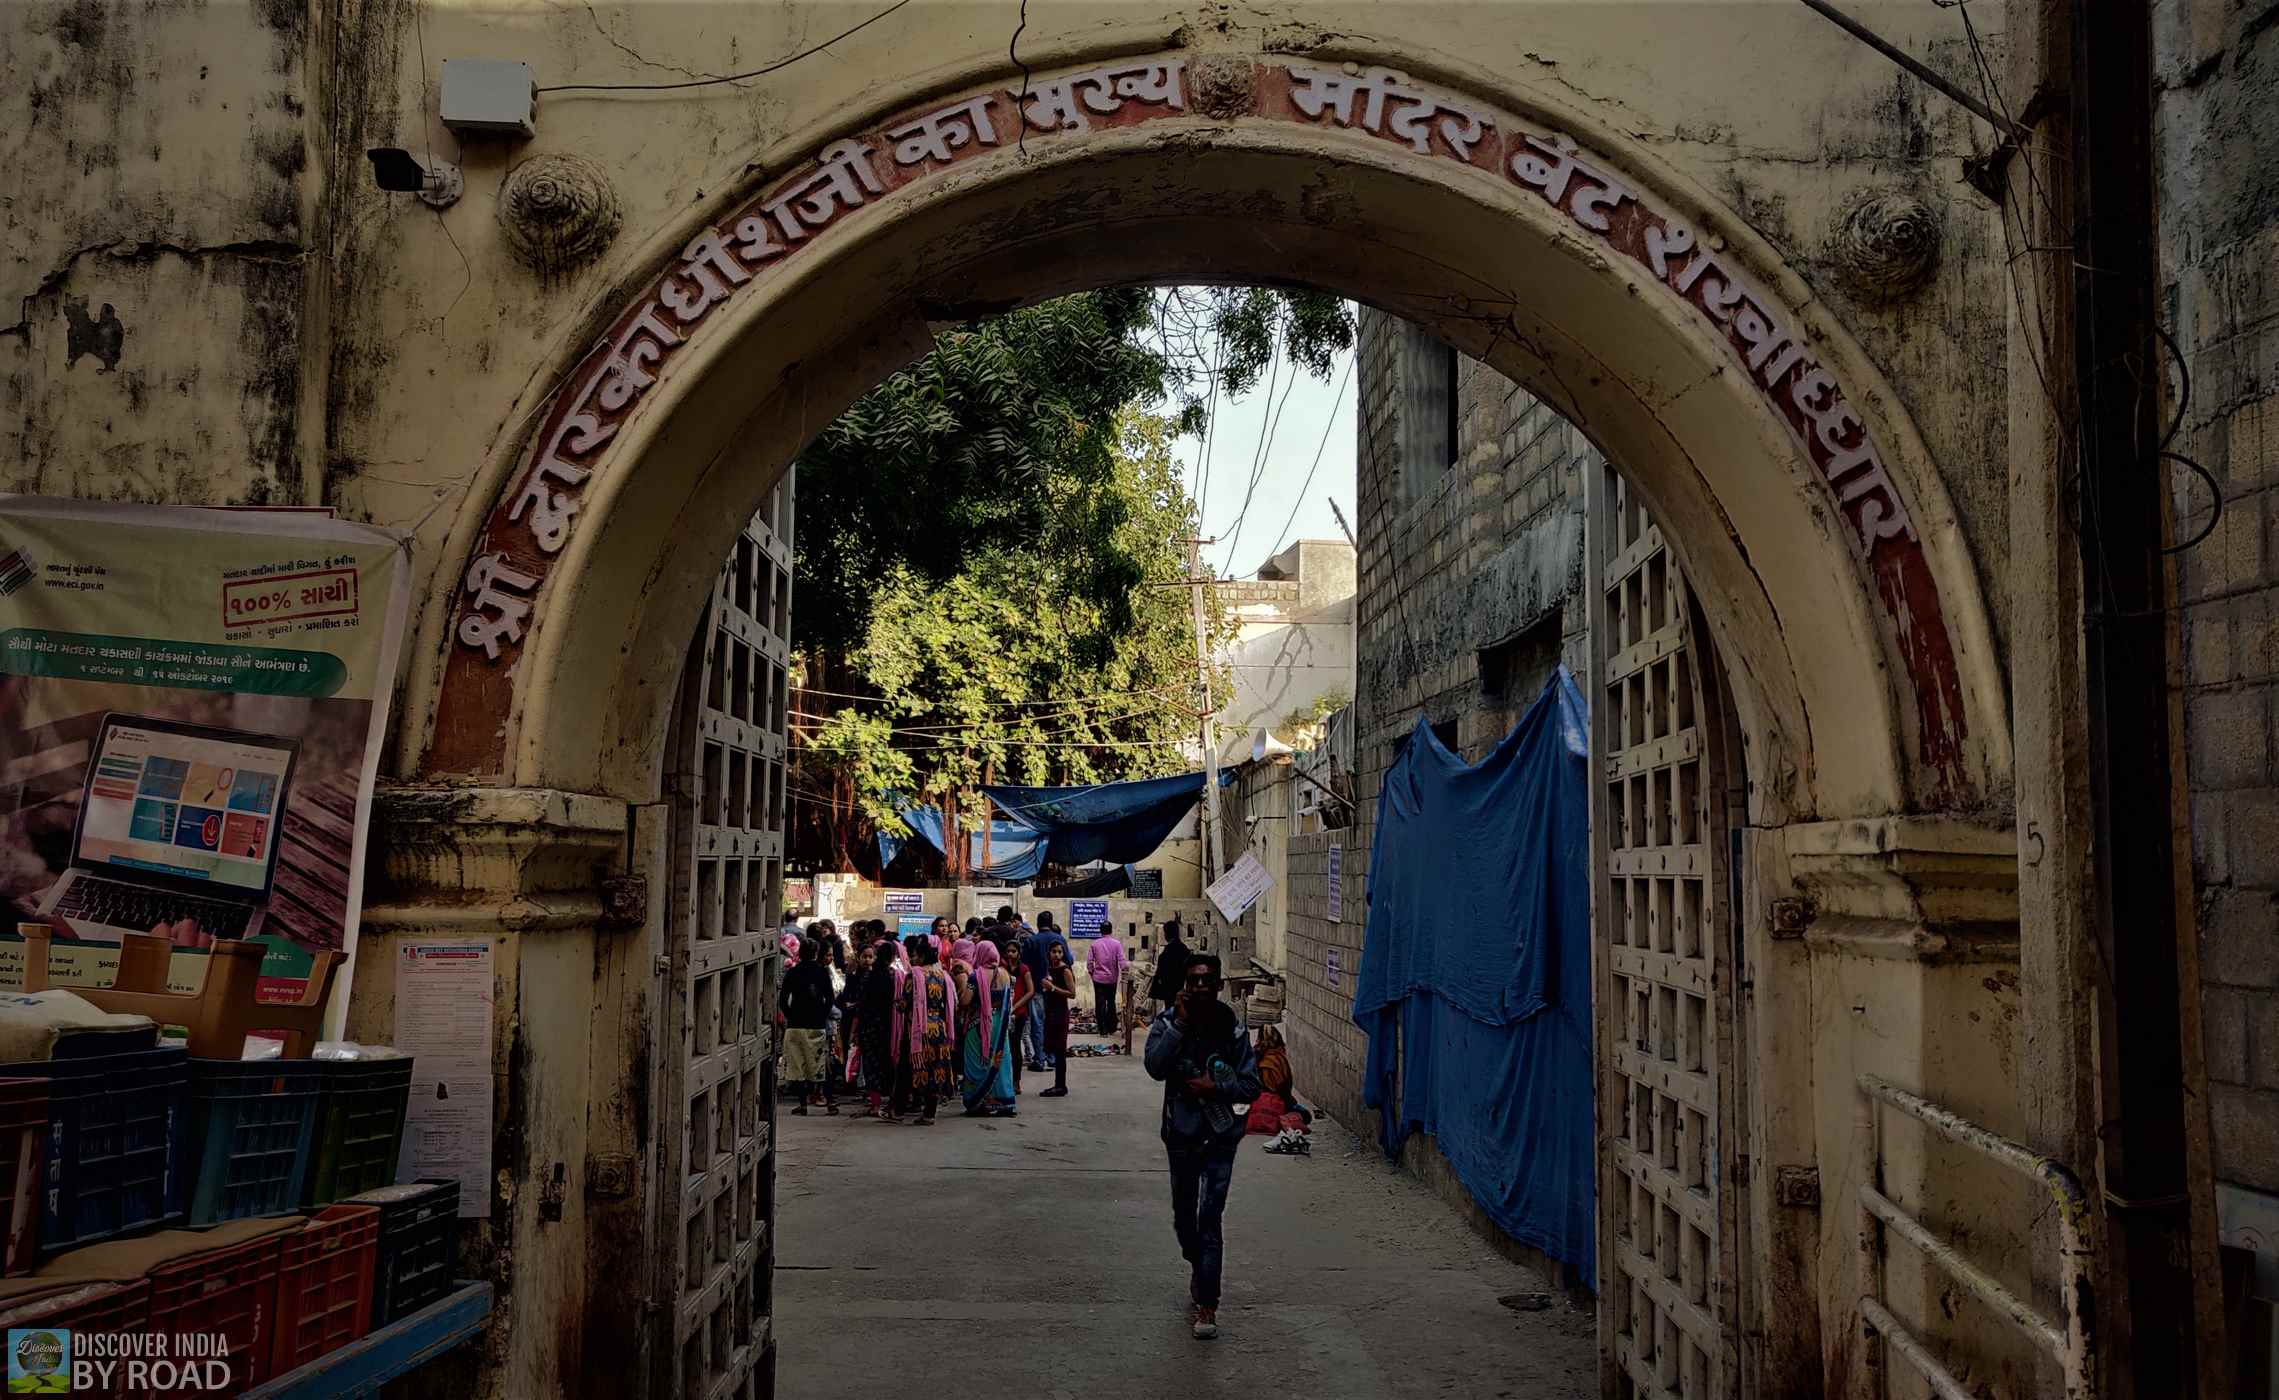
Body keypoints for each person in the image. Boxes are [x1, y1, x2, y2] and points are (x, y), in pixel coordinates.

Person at [1143, 953, 1261, 1341]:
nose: (1199, 987)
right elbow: (1155, 1067)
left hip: (1220, 1138)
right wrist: (1178, 1024)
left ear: (1219, 985)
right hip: (1180, 1135)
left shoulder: (1232, 1029)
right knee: (1184, 1218)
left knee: (1210, 1218)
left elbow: (1250, 1085)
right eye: (1193, 980)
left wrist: (1217, 1088)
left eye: (1207, 980)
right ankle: (1198, 1266)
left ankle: (1208, 1302)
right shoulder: (1167, 1022)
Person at [894, 937, 956, 1125]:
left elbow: (904, 1004)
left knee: (906, 1069)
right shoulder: (943, 975)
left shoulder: (914, 975)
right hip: (940, 1027)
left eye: (913, 956)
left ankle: (897, 1111)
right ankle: (929, 1113)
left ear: (920, 956)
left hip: (918, 1030)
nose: (912, 959)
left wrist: (897, 1003)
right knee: (936, 1070)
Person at [777, 938, 838, 1114]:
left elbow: (783, 999)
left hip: (796, 1025)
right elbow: (830, 998)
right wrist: (822, 1014)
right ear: (816, 954)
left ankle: (803, 1105)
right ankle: (829, 1103)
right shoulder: (822, 972)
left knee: (799, 1067)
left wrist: (791, 1016)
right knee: (820, 1065)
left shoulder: (793, 972)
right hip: (816, 1024)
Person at [957, 940, 1018, 1116]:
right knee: (1000, 1059)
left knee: (977, 1060)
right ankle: (1003, 1101)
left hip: (979, 1025)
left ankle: (978, 1101)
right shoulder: (1006, 975)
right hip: (1000, 1025)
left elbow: (966, 1001)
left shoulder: (976, 976)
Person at [859, 937, 905, 1121]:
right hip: (887, 1026)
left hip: (869, 1026)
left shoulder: (870, 975)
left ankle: (875, 1103)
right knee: (885, 1063)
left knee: (871, 1065)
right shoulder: (892, 976)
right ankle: (886, 1103)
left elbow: (863, 1003)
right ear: (893, 957)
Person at [1020, 912, 1070, 1072]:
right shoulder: (1060, 940)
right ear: (1051, 922)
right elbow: (1069, 961)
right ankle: (1052, 1058)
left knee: (1038, 1024)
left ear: (1038, 923)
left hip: (1036, 988)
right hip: (1056, 990)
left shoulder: (1031, 941)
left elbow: (1024, 966)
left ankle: (1040, 1059)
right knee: (1053, 1024)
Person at [1038, 938, 1078, 1097]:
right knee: (1053, 1047)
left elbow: (1072, 993)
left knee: (1060, 1050)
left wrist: (1053, 988)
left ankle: (1061, 1085)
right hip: (1050, 1011)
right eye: (1054, 951)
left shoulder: (1065, 970)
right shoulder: (1049, 969)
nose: (1057, 955)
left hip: (1060, 1012)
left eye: (1060, 952)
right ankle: (1057, 1084)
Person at [1001, 933, 1035, 1096]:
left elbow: (1030, 991)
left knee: (1015, 1047)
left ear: (1018, 953)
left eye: (1013, 951)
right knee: (1004, 1047)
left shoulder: (1023, 969)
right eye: (1008, 951)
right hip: (1004, 1013)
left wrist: (1015, 1006)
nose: (1010, 954)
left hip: (1019, 1013)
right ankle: (1005, 1080)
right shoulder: (1002, 969)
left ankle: (1016, 1081)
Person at [1087, 920, 1126, 1036]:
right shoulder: (1117, 944)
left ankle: (1102, 1030)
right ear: (1111, 930)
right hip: (1112, 979)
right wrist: (1126, 968)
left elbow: (1089, 962)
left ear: (1100, 931)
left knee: (1100, 1004)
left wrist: (1092, 973)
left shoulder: (1094, 944)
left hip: (1098, 979)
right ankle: (1112, 1027)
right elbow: (1122, 960)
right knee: (1111, 1002)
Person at [1146, 919, 1193, 1008]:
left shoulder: (1167, 952)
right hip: (1182, 990)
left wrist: (1152, 994)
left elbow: (1159, 974)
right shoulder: (1185, 950)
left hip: (1170, 992)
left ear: (1166, 934)